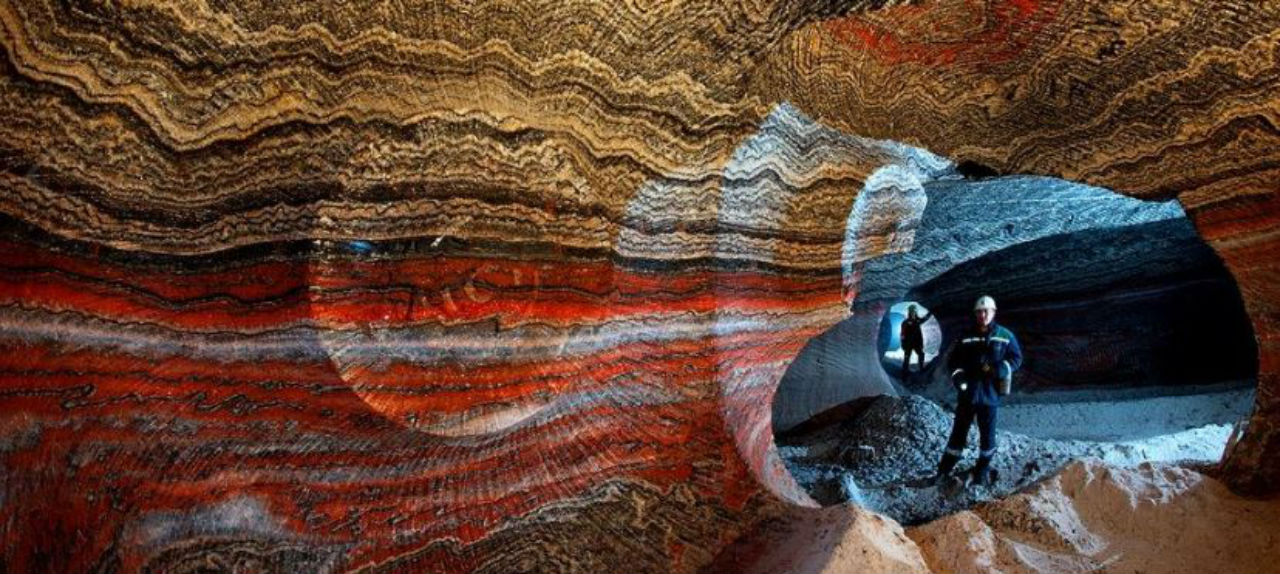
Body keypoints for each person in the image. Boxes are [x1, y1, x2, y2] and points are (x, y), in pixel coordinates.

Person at [935, 295, 1022, 487]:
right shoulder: (966, 336)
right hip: (968, 394)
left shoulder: (1005, 336)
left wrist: (997, 370)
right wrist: (958, 377)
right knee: (958, 433)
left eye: (986, 311)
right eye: (979, 312)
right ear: (975, 314)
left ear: (993, 312)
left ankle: (981, 471)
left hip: (990, 395)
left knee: (987, 436)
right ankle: (944, 471)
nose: (983, 315)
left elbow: (1016, 359)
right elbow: (954, 361)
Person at [900, 304, 932, 375]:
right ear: (909, 312)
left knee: (921, 354)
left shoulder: (917, 320)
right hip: (908, 343)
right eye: (912, 311)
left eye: (914, 311)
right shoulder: (906, 322)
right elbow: (902, 334)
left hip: (916, 343)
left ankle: (921, 369)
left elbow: (924, 319)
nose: (913, 313)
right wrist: (903, 343)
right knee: (907, 358)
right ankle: (904, 373)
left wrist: (930, 313)